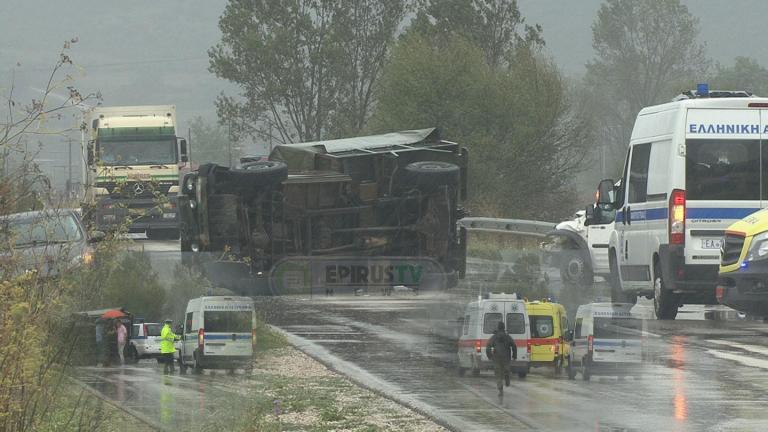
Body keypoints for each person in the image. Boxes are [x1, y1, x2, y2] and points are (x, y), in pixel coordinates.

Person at [486, 321, 517, 398]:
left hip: (496, 357)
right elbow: (514, 346)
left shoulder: (494, 337)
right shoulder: (508, 336)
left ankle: (500, 390)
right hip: (506, 357)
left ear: (498, 327)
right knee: (506, 368)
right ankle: (507, 375)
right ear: (504, 328)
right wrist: (514, 355)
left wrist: (489, 356)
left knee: (498, 374)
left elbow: (488, 346)